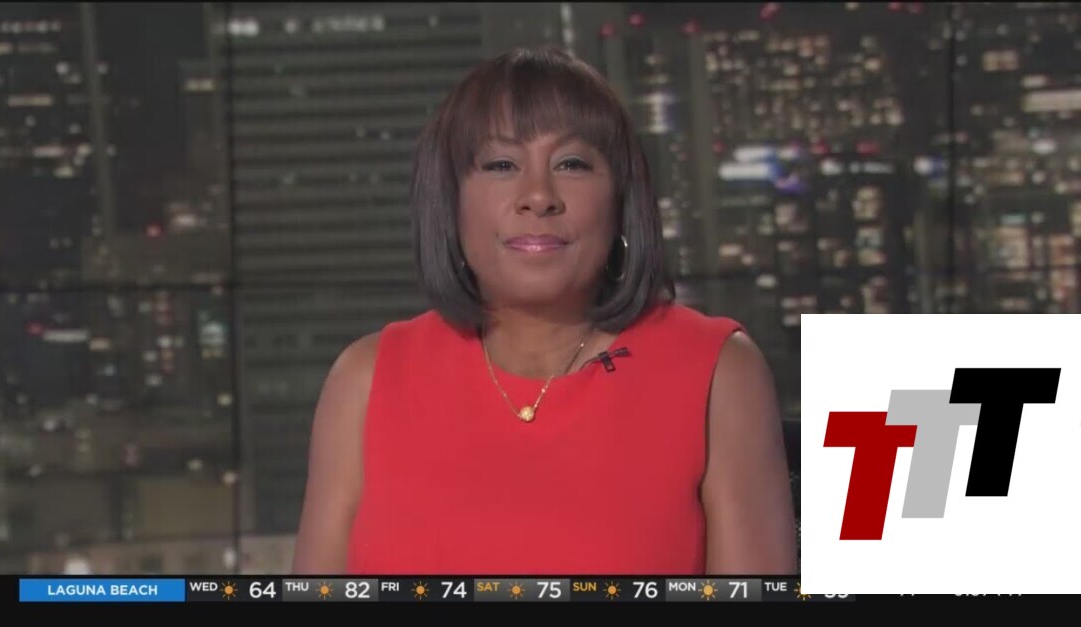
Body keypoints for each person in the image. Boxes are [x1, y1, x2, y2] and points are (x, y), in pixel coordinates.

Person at [292, 47, 798, 576]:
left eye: (572, 164)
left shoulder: (718, 371)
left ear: (621, 200)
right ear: (450, 200)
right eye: (501, 165)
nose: (538, 196)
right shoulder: (365, 379)